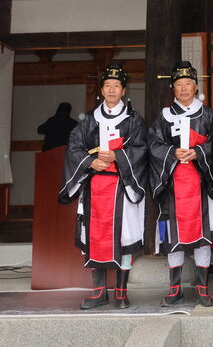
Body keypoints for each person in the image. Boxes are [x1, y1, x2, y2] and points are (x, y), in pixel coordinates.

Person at [58, 62, 147, 310]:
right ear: (101, 89)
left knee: (123, 237)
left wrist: (118, 157)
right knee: (94, 236)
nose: (111, 90)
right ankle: (99, 293)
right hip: (94, 188)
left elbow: (141, 149)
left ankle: (121, 293)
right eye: (107, 85)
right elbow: (74, 147)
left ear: (124, 90)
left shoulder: (134, 120)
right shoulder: (89, 120)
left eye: (116, 86)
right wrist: (91, 162)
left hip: (122, 187)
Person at [149, 61, 213, 307]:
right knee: (174, 237)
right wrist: (172, 153)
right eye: (179, 84)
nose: (183, 88)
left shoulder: (209, 115)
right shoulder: (164, 116)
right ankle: (175, 289)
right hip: (173, 183)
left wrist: (199, 152)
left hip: (201, 183)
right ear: (173, 88)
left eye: (188, 83)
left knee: (203, 236)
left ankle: (202, 289)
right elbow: (153, 144)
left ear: (196, 86)